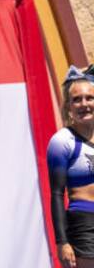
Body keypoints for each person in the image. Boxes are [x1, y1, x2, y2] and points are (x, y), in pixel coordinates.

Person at [48, 68, 94, 268]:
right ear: (68, 106)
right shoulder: (62, 141)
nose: (84, 104)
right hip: (85, 225)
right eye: (77, 100)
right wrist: (62, 242)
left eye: (89, 98)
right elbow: (57, 194)